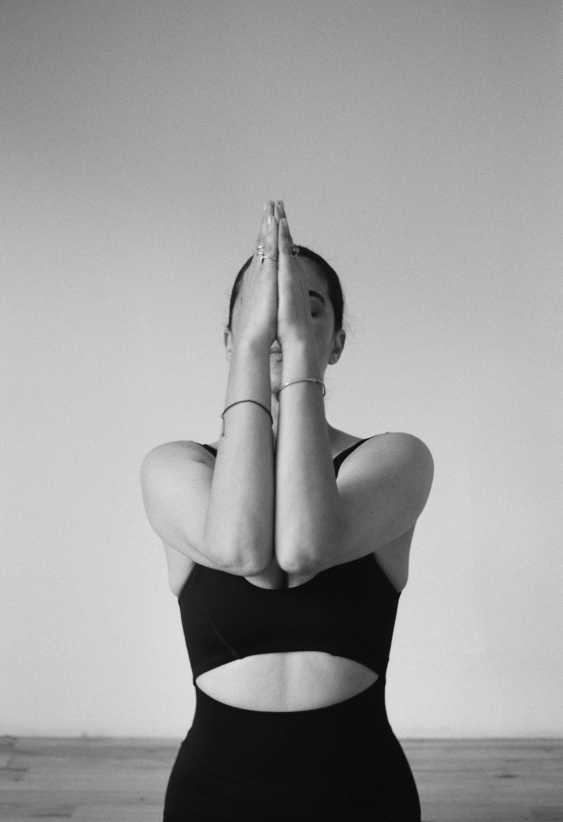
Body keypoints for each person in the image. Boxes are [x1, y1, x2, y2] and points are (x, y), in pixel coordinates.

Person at [140, 200, 435, 821]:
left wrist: (293, 352)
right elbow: (244, 550)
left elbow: (303, 547)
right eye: (260, 310)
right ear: (231, 339)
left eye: (307, 309)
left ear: (337, 343)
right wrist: (258, 352)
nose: (282, 323)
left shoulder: (395, 458)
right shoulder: (175, 467)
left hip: (362, 792)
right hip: (214, 796)